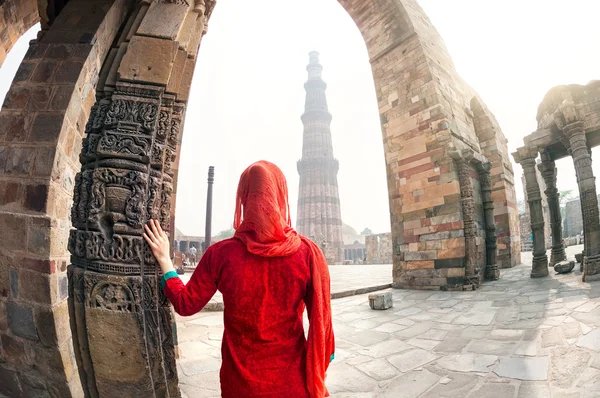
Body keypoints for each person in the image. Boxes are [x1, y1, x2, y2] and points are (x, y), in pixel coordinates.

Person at [143, 160, 335, 397]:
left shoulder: (222, 254)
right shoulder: (307, 254)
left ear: (244, 198)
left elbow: (185, 304)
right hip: (292, 383)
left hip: (241, 385)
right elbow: (321, 324)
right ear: (280, 196)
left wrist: (164, 260)